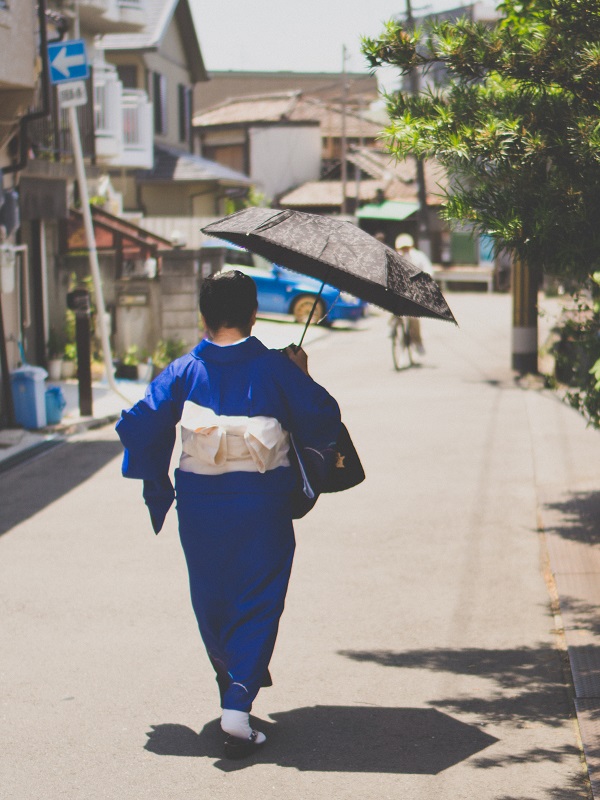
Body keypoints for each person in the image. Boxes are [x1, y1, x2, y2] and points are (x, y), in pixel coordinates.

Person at [116, 270, 341, 759]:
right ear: (254, 313)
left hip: (200, 503)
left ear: (202, 314)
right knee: (259, 595)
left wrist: (159, 477)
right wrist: (299, 374)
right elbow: (324, 415)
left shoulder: (183, 370)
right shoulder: (274, 367)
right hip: (262, 500)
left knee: (212, 595)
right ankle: (238, 702)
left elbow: (136, 425)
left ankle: (230, 689)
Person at [394, 233, 434, 355]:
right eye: (402, 248)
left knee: (413, 317)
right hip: (399, 288)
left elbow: (428, 270)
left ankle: (417, 341)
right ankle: (393, 326)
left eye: (406, 247)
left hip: (415, 289)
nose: (404, 250)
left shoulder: (418, 257)